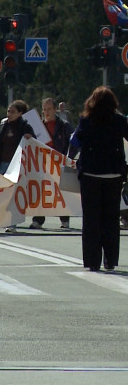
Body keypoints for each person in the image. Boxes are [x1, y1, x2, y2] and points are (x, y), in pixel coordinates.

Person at [70, 86, 128, 272]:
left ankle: (92, 261)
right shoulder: (119, 120)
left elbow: (75, 142)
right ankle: (110, 260)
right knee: (111, 218)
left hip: (90, 174)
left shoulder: (86, 120)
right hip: (113, 174)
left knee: (91, 219)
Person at [0, 100, 35, 233]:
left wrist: (29, 137)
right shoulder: (3, 125)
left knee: (13, 194)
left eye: (13, 112)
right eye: (8, 111)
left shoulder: (25, 126)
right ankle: (1, 218)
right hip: (2, 163)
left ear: (20, 113)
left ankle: (12, 222)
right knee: (1, 192)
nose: (9, 114)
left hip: (17, 164)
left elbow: (33, 141)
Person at [30, 98, 74, 230]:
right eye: (44, 109)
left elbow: (74, 141)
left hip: (59, 163)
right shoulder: (37, 127)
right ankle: (38, 220)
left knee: (62, 192)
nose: (46, 112)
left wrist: (69, 157)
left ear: (55, 110)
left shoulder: (64, 125)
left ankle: (64, 220)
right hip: (42, 163)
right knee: (40, 191)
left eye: (49, 109)